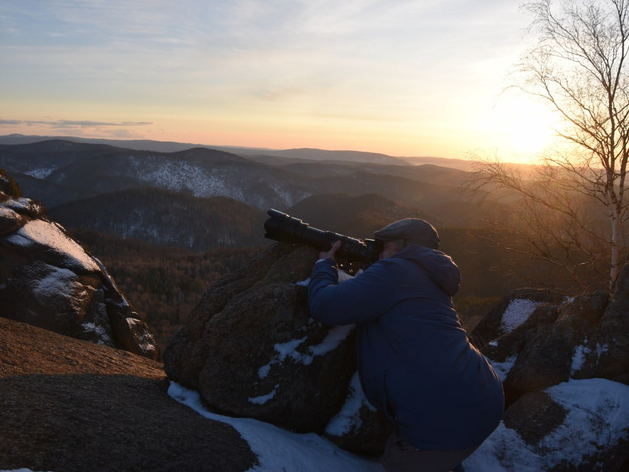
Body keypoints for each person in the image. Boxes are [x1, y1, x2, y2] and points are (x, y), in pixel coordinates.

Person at [307, 218, 504, 472]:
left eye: (383, 246)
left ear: (403, 246)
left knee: (397, 461)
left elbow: (325, 306)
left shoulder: (394, 271)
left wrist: (325, 264)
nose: (378, 251)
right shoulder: (429, 274)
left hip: (450, 412)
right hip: (481, 396)